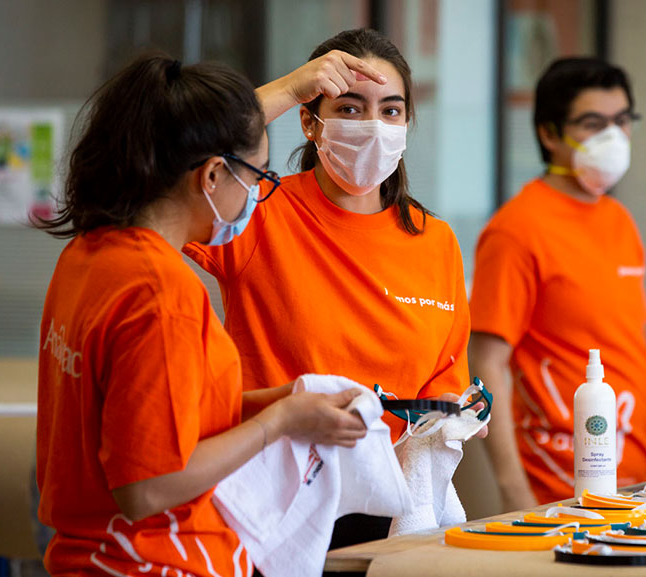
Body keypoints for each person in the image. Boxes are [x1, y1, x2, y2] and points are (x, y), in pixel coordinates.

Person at [35, 51, 388, 576]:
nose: (257, 195)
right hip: (152, 560)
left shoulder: (87, 257)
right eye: (258, 177)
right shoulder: (161, 293)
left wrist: (285, 401)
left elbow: (157, 416)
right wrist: (279, 422)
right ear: (213, 175)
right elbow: (147, 486)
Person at [184, 28, 479, 547]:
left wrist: (454, 415)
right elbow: (175, 158)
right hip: (274, 504)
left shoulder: (435, 241)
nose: (372, 125)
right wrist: (288, 88)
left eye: (390, 110)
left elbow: (444, 378)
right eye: (349, 108)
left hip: (391, 508)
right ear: (309, 120)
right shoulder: (258, 211)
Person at [469, 57, 646, 511]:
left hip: (634, 478)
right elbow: (486, 361)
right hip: (558, 483)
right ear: (549, 134)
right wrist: (513, 490)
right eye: (593, 123)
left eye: (622, 120)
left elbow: (625, 341)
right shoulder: (517, 230)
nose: (614, 136)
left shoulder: (618, 220)